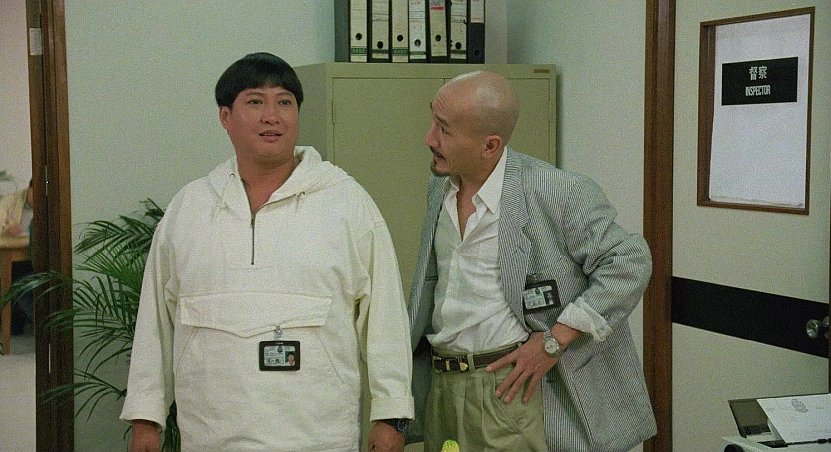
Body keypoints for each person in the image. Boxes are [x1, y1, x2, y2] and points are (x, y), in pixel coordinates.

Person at [120, 52, 414, 452]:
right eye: (255, 101)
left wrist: (391, 416)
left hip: (319, 437)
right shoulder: (190, 208)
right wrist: (145, 419)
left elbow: (385, 317)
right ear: (225, 116)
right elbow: (156, 320)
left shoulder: (346, 203)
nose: (272, 116)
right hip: (211, 436)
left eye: (284, 102)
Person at [406, 71, 656, 451]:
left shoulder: (556, 191)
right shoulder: (441, 185)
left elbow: (629, 261)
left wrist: (556, 338)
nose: (429, 138)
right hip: (443, 383)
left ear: (490, 146)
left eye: (444, 129)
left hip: (508, 387)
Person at [0, 180, 35, 334]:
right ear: (29, 188)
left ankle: (34, 320)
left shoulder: (50, 205)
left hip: (35, 257)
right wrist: (6, 229)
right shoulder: (11, 201)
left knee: (21, 281)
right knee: (16, 280)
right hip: (12, 254)